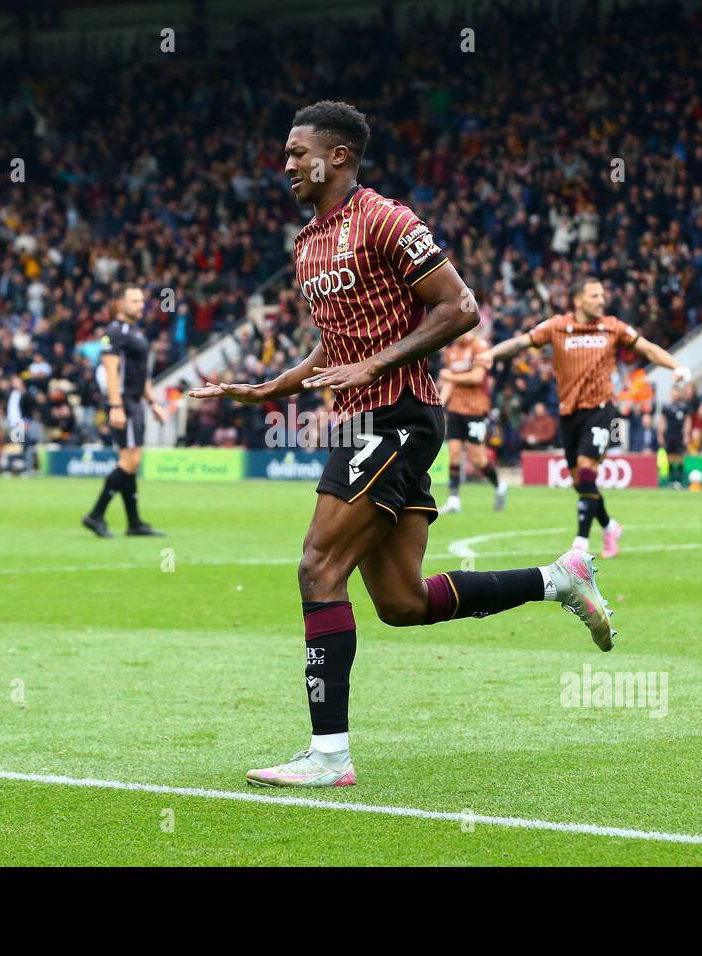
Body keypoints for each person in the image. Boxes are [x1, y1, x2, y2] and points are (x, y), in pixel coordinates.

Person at [189, 100, 615, 789]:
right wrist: (274, 387)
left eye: (299, 153)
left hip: (395, 415)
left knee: (317, 567)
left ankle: (329, 755)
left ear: (339, 157)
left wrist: (379, 364)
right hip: (366, 415)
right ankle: (558, 579)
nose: (288, 164)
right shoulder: (307, 244)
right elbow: (337, 345)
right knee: (401, 602)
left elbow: (460, 306)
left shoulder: (384, 218)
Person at [480, 278, 690, 557]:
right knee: (580, 480)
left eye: (602, 295)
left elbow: (647, 348)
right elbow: (521, 342)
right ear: (578, 300)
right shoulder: (557, 326)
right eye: (594, 295)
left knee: (586, 466)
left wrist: (675, 366)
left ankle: (580, 543)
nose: (601, 300)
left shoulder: (613, 326)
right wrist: (492, 353)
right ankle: (610, 526)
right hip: (569, 412)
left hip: (601, 408)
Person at [82, 286, 167, 537]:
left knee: (130, 462)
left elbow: (142, 375)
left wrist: (153, 403)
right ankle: (95, 514)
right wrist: (116, 406)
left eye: (142, 300)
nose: (141, 305)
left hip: (135, 402)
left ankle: (134, 523)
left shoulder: (136, 334)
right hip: (125, 403)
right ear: (120, 304)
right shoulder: (115, 332)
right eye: (135, 301)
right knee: (131, 460)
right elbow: (110, 370)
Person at [438, 329, 506, 513]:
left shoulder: (479, 347)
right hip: (455, 409)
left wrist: (449, 376)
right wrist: (438, 405)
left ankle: (499, 485)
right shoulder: (451, 351)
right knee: (453, 453)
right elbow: (449, 384)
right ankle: (453, 500)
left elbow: (477, 377)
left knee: (477, 458)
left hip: (476, 409)